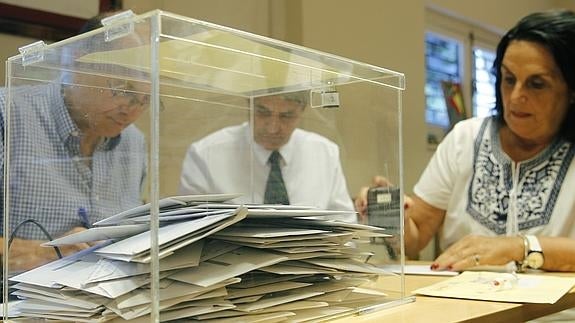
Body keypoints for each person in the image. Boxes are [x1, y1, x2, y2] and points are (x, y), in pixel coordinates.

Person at [358, 9, 575, 273]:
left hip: (554, 313)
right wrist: (390, 215)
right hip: (465, 306)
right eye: (508, 79)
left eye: (537, 84)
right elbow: (414, 240)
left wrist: (519, 247)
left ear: (571, 91)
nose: (516, 96)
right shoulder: (465, 138)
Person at [0, 12, 149, 271]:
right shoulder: (7, 115)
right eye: (122, 89)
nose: (131, 110)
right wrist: (44, 252)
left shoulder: (133, 143)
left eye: (144, 99)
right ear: (79, 61)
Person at [178, 91, 356, 222]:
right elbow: (189, 231)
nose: (273, 128)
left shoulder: (325, 153)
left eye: (286, 116)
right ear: (248, 105)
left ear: (302, 111)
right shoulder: (205, 155)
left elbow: (344, 227)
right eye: (263, 112)